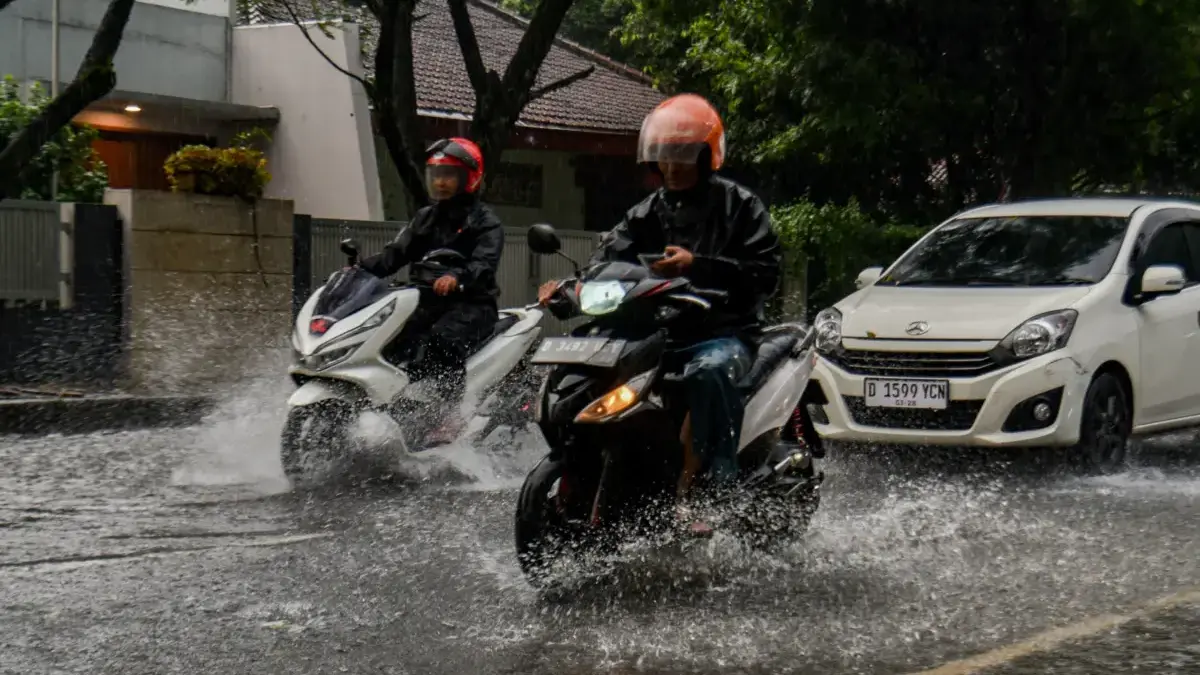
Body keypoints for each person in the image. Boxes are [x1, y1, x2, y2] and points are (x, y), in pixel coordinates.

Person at [537, 94, 782, 536]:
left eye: (683, 154)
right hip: (655, 327)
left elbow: (766, 275)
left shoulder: (741, 207)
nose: (672, 164)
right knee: (598, 363)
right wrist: (568, 290)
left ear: (708, 156)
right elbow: (604, 260)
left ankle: (716, 489)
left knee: (709, 373)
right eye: (664, 155)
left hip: (722, 331)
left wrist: (698, 265)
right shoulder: (645, 213)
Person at [360, 137, 503, 445]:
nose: (440, 182)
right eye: (436, 174)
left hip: (473, 305)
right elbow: (396, 253)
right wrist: (360, 271)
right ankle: (396, 408)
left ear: (470, 178)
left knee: (441, 340)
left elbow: (484, 264)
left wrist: (457, 277)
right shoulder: (426, 217)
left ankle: (450, 414)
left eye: (449, 175)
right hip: (424, 301)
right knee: (389, 341)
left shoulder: (485, 222)